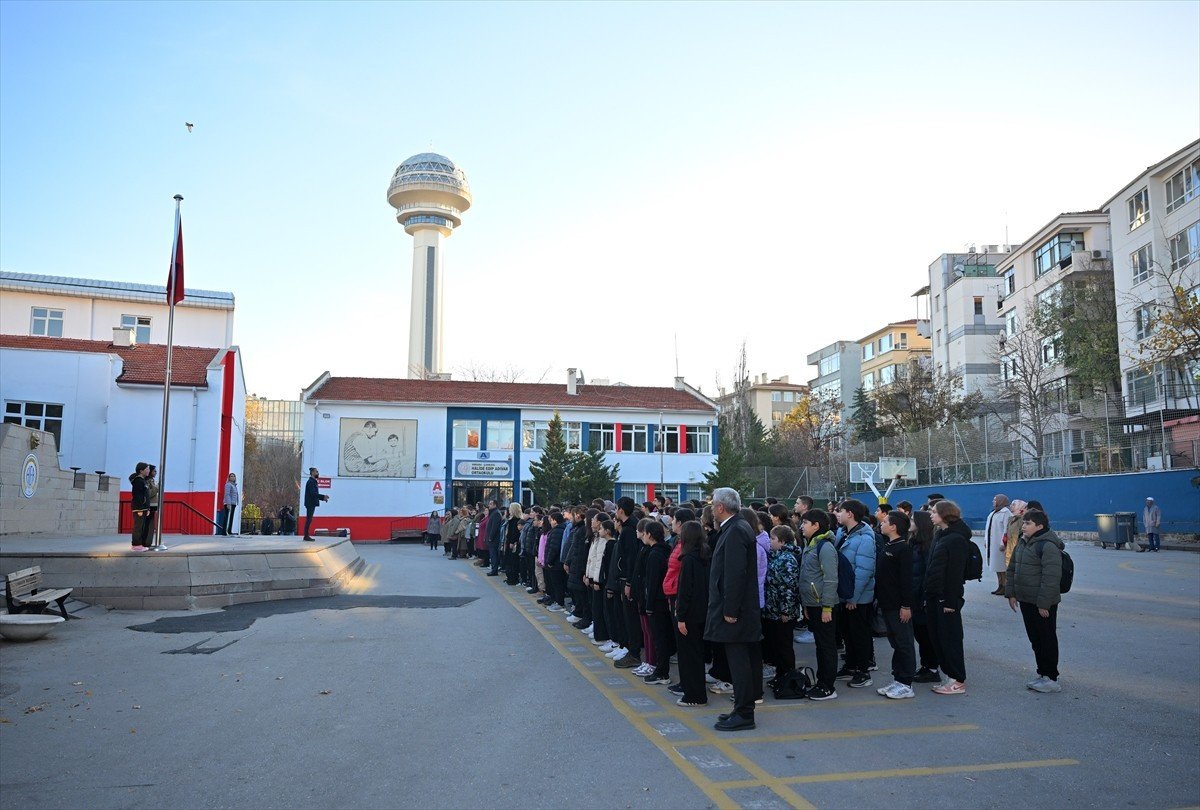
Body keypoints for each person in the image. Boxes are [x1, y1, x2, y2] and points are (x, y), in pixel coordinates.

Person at [704, 487, 761, 732]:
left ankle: (745, 713)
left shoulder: (736, 529)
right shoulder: (734, 527)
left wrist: (730, 609)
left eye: (713, 504)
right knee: (737, 662)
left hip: (736, 612)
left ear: (720, 507)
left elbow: (736, 574)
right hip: (735, 609)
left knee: (739, 663)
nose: (711, 509)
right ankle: (740, 709)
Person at [1006, 509, 1064, 693]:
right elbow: (1012, 568)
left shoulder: (1047, 546)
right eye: (1023, 523)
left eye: (1028, 523)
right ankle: (1042, 673)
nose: (1023, 526)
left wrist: (1044, 604)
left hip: (1042, 603)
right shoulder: (1023, 543)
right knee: (1035, 639)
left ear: (1040, 526)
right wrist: (1012, 593)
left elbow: (1051, 577)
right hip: (1026, 599)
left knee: (1046, 638)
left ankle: (1051, 677)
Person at [926, 500, 971, 695]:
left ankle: (957, 679)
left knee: (950, 639)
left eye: (934, 512)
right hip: (935, 596)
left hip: (947, 599)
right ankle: (949, 676)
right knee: (939, 638)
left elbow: (954, 574)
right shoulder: (940, 535)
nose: (930, 514)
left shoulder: (955, 539)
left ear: (945, 515)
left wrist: (950, 601)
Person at [834, 499, 877, 690]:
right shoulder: (843, 533)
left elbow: (864, 571)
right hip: (845, 594)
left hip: (858, 597)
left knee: (859, 634)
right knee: (848, 633)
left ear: (850, 514)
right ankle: (851, 665)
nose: (838, 514)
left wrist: (853, 597)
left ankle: (863, 670)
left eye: (840, 511)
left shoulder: (865, 538)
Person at [798, 509, 839, 700]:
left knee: (826, 646)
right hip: (814, 604)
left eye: (805, 523)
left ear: (816, 525)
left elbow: (831, 579)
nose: (801, 526)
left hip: (824, 606)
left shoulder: (825, 547)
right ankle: (821, 681)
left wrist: (827, 607)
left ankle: (827, 686)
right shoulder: (810, 545)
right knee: (820, 646)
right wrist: (807, 604)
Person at [875, 511, 916, 699]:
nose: (881, 524)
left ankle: (907, 683)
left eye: (884, 522)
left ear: (894, 526)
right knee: (896, 642)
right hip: (887, 603)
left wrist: (906, 606)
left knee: (904, 643)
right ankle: (898, 678)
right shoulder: (888, 545)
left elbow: (907, 580)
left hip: (899, 605)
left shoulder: (904, 549)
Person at [673, 520, 710, 706]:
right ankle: (696, 692)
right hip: (703, 613)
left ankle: (694, 696)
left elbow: (684, 592)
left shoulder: (688, 560)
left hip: (690, 616)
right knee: (697, 655)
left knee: (688, 658)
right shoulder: (705, 556)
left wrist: (680, 617)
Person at [763, 525, 801, 686]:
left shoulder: (787, 559)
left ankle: (788, 677)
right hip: (772, 610)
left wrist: (785, 611)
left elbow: (789, 587)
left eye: (773, 539)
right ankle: (780, 675)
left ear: (782, 541)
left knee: (784, 646)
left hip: (783, 612)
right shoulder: (776, 555)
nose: (770, 542)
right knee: (777, 645)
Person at [909, 509, 941, 684]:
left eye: (913, 520)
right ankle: (926, 665)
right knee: (920, 634)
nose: (910, 522)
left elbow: (927, 574)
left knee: (925, 635)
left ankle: (932, 667)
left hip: (921, 597)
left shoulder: (926, 546)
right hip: (914, 596)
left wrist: (923, 598)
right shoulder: (914, 542)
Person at [985, 494, 1012, 594]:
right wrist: (985, 541)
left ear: (1001, 501)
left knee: (1002, 567)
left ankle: (1005, 586)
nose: (993, 501)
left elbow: (1007, 529)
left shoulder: (1006, 513)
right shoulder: (993, 513)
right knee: (996, 567)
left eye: (995, 500)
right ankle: (1000, 585)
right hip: (992, 545)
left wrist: (1003, 543)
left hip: (1000, 545)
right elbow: (988, 528)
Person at [302, 467, 329, 541]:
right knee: (309, 519)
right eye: (316, 472)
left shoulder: (313, 481)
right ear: (313, 472)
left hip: (311, 503)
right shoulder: (311, 482)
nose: (318, 473)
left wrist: (322, 498)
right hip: (310, 503)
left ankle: (306, 535)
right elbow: (313, 494)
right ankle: (306, 536)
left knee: (309, 519)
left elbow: (314, 494)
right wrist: (323, 496)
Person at [129, 462, 151, 551]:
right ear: (141, 470)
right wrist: (140, 509)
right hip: (139, 508)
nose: (148, 471)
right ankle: (136, 544)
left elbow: (146, 496)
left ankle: (140, 544)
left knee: (142, 526)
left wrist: (147, 508)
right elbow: (137, 496)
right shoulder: (138, 481)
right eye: (147, 469)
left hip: (144, 507)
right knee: (138, 527)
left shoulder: (143, 480)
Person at [142, 465, 161, 549]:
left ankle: (148, 542)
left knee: (151, 525)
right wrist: (157, 487)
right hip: (149, 505)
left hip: (154, 505)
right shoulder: (147, 481)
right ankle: (145, 542)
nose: (156, 473)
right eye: (154, 471)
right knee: (148, 525)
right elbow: (150, 493)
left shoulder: (152, 480)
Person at [1005, 500, 1027, 569]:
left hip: (1018, 549)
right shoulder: (1011, 519)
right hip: (1009, 548)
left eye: (1014, 505)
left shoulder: (1022, 519)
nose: (1011, 506)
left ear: (1019, 507)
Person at [222, 472, 240, 537]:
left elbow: (236, 495)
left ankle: (229, 531)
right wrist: (228, 503)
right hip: (228, 503)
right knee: (227, 517)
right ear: (229, 478)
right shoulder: (228, 485)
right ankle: (224, 531)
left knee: (231, 517)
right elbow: (227, 494)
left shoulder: (234, 485)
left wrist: (236, 502)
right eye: (231, 476)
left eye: (234, 476)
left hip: (233, 503)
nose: (233, 477)